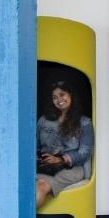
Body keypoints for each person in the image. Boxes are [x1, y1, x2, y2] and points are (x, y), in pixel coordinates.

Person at [34, 80, 94, 208]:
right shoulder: (44, 120)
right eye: (54, 97)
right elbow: (35, 145)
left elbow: (85, 152)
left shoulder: (84, 123)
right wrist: (38, 158)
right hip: (44, 166)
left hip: (70, 169)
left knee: (41, 185)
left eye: (62, 95)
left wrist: (61, 159)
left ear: (71, 95)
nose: (59, 100)